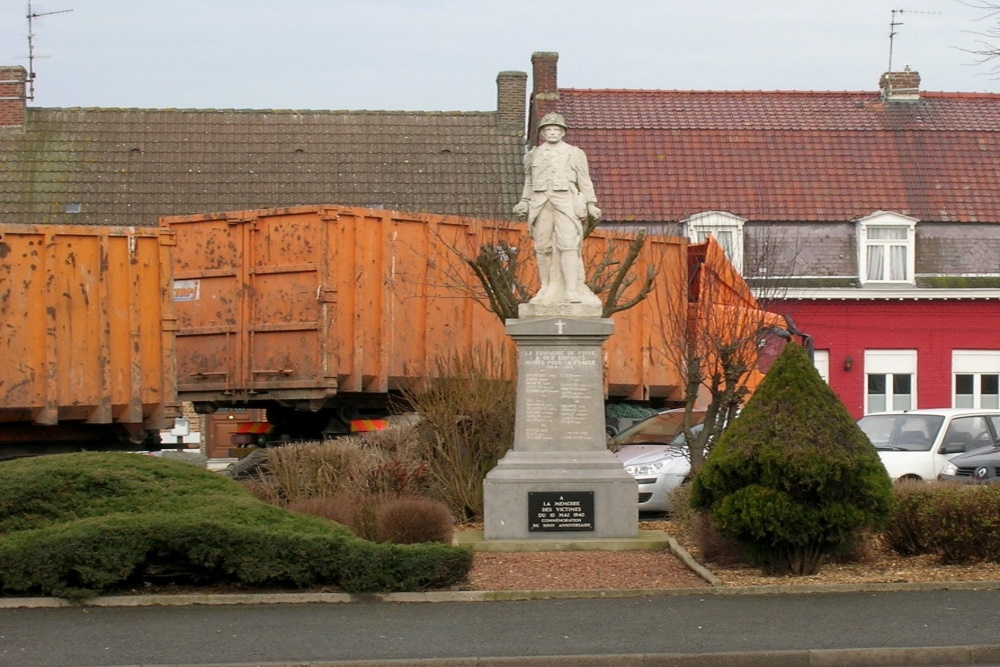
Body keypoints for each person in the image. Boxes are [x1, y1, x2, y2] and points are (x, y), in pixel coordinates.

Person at [513, 112, 602, 305]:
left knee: (568, 244)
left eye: (556, 129)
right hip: (540, 201)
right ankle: (546, 287)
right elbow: (529, 180)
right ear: (542, 133)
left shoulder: (574, 153)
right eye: (548, 130)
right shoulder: (534, 154)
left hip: (565, 200)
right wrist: (524, 201)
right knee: (542, 246)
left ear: (563, 132)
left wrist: (591, 204)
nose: (552, 133)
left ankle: (571, 290)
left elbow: (584, 180)